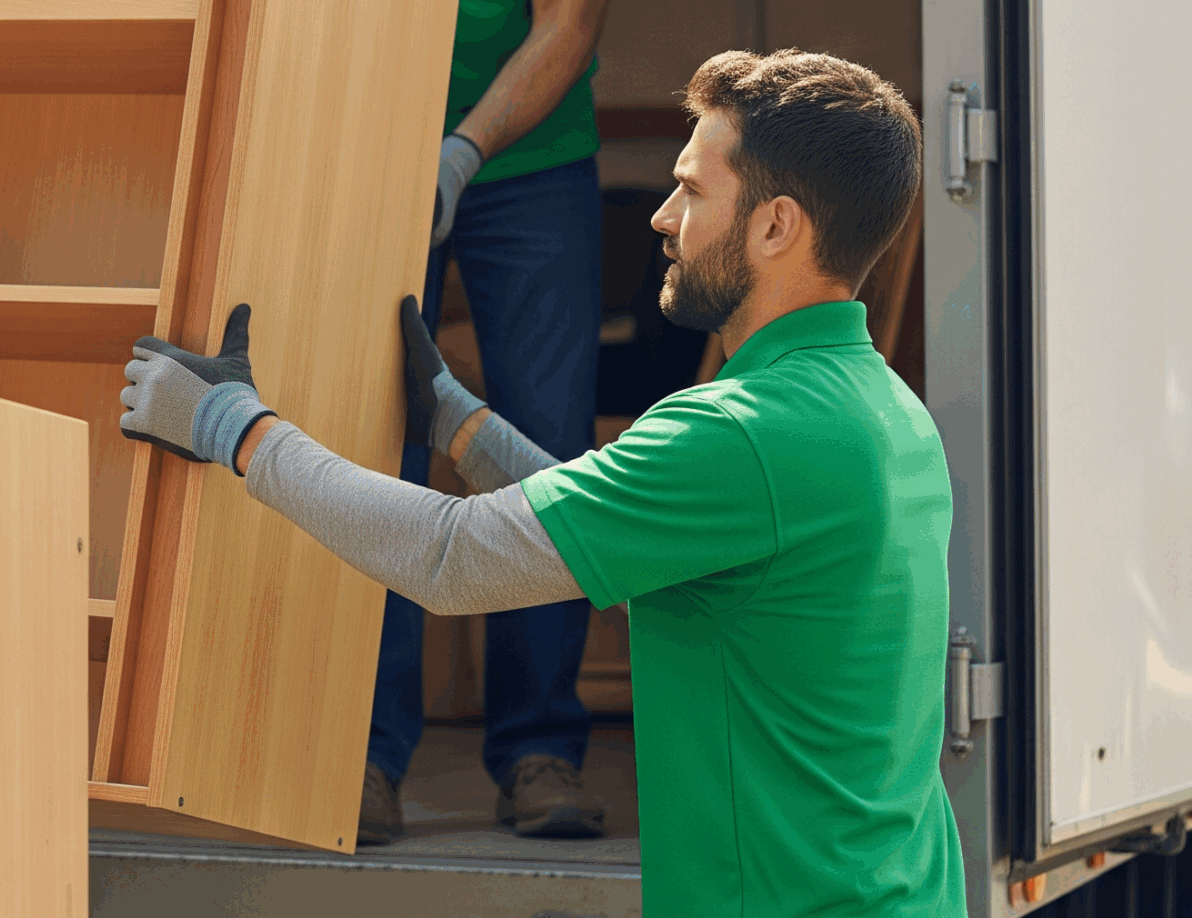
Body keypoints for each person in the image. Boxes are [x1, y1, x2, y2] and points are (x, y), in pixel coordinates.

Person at [119, 50, 960, 915]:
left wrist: (230, 425)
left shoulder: (737, 432)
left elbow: (452, 559)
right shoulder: (884, 413)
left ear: (777, 227)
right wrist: (461, 423)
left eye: (694, 191)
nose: (663, 218)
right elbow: (644, 542)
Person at [240, 0, 636, 840]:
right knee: (364, 433)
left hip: (520, 167)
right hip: (354, 156)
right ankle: (363, 754)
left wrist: (457, 151)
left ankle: (538, 751)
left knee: (542, 442)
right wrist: (345, 154)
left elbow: (568, 21)